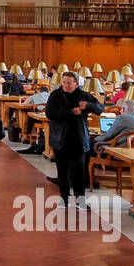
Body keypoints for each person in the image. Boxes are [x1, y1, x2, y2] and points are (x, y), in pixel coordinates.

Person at [45, 71, 103, 207]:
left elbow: (100, 108)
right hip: (60, 139)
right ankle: (63, 199)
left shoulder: (84, 96)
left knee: (79, 172)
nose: (65, 85)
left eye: (69, 83)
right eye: (64, 82)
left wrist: (88, 106)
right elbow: (50, 114)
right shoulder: (55, 95)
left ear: (76, 84)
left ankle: (80, 200)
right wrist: (70, 112)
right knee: (62, 172)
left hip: (78, 139)